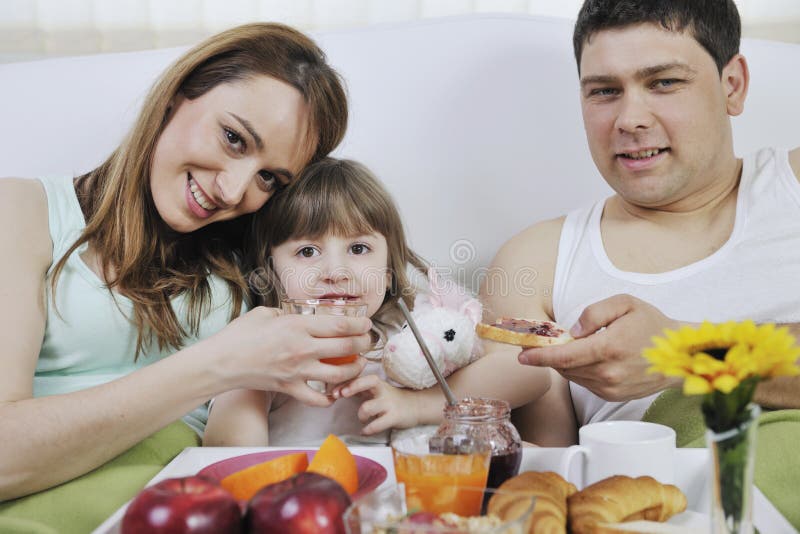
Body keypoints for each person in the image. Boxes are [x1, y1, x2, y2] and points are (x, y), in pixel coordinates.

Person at [0, 23, 374, 502]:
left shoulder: (253, 262)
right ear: (178, 95)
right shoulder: (24, 211)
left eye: (270, 179)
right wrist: (223, 363)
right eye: (234, 139)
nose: (234, 191)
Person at [480, 0, 800, 445]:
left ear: (733, 85)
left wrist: (685, 355)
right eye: (604, 91)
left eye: (664, 82)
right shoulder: (536, 263)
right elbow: (551, 482)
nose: (629, 120)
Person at [204, 158, 552, 446]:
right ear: (272, 270)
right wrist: (253, 378)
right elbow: (229, 460)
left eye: (358, 249)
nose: (335, 272)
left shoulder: (414, 330)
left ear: (387, 272)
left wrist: (415, 405)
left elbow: (532, 375)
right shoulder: (266, 351)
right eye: (307, 251)